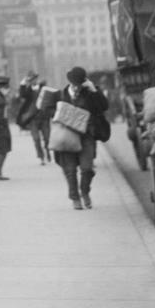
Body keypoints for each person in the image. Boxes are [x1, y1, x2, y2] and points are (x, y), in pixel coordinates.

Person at [54, 66, 110, 210]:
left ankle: (85, 192)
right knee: (70, 170)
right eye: (74, 84)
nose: (77, 87)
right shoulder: (61, 94)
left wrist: (94, 90)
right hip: (67, 136)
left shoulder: (90, 93)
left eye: (79, 84)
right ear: (70, 82)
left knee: (87, 168)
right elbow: (49, 111)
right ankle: (75, 198)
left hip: (87, 136)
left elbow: (104, 106)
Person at [16, 71, 51, 165]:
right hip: (32, 118)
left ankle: (48, 152)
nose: (33, 81)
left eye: (34, 78)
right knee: (36, 139)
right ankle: (41, 157)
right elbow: (22, 94)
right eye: (31, 79)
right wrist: (23, 83)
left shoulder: (43, 87)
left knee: (47, 138)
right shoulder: (27, 90)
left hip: (44, 117)